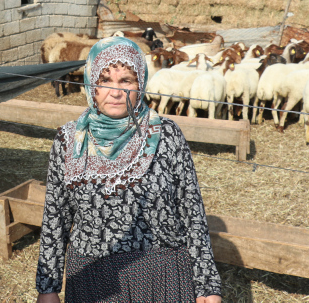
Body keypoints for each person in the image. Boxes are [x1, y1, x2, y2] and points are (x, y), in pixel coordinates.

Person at [35, 37, 222, 303]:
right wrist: (48, 287)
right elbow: (56, 217)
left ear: (140, 83)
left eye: (126, 81)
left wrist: (208, 286)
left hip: (162, 278)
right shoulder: (70, 140)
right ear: (90, 83)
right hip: (93, 281)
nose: (115, 91)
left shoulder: (167, 135)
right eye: (104, 80)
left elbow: (192, 213)